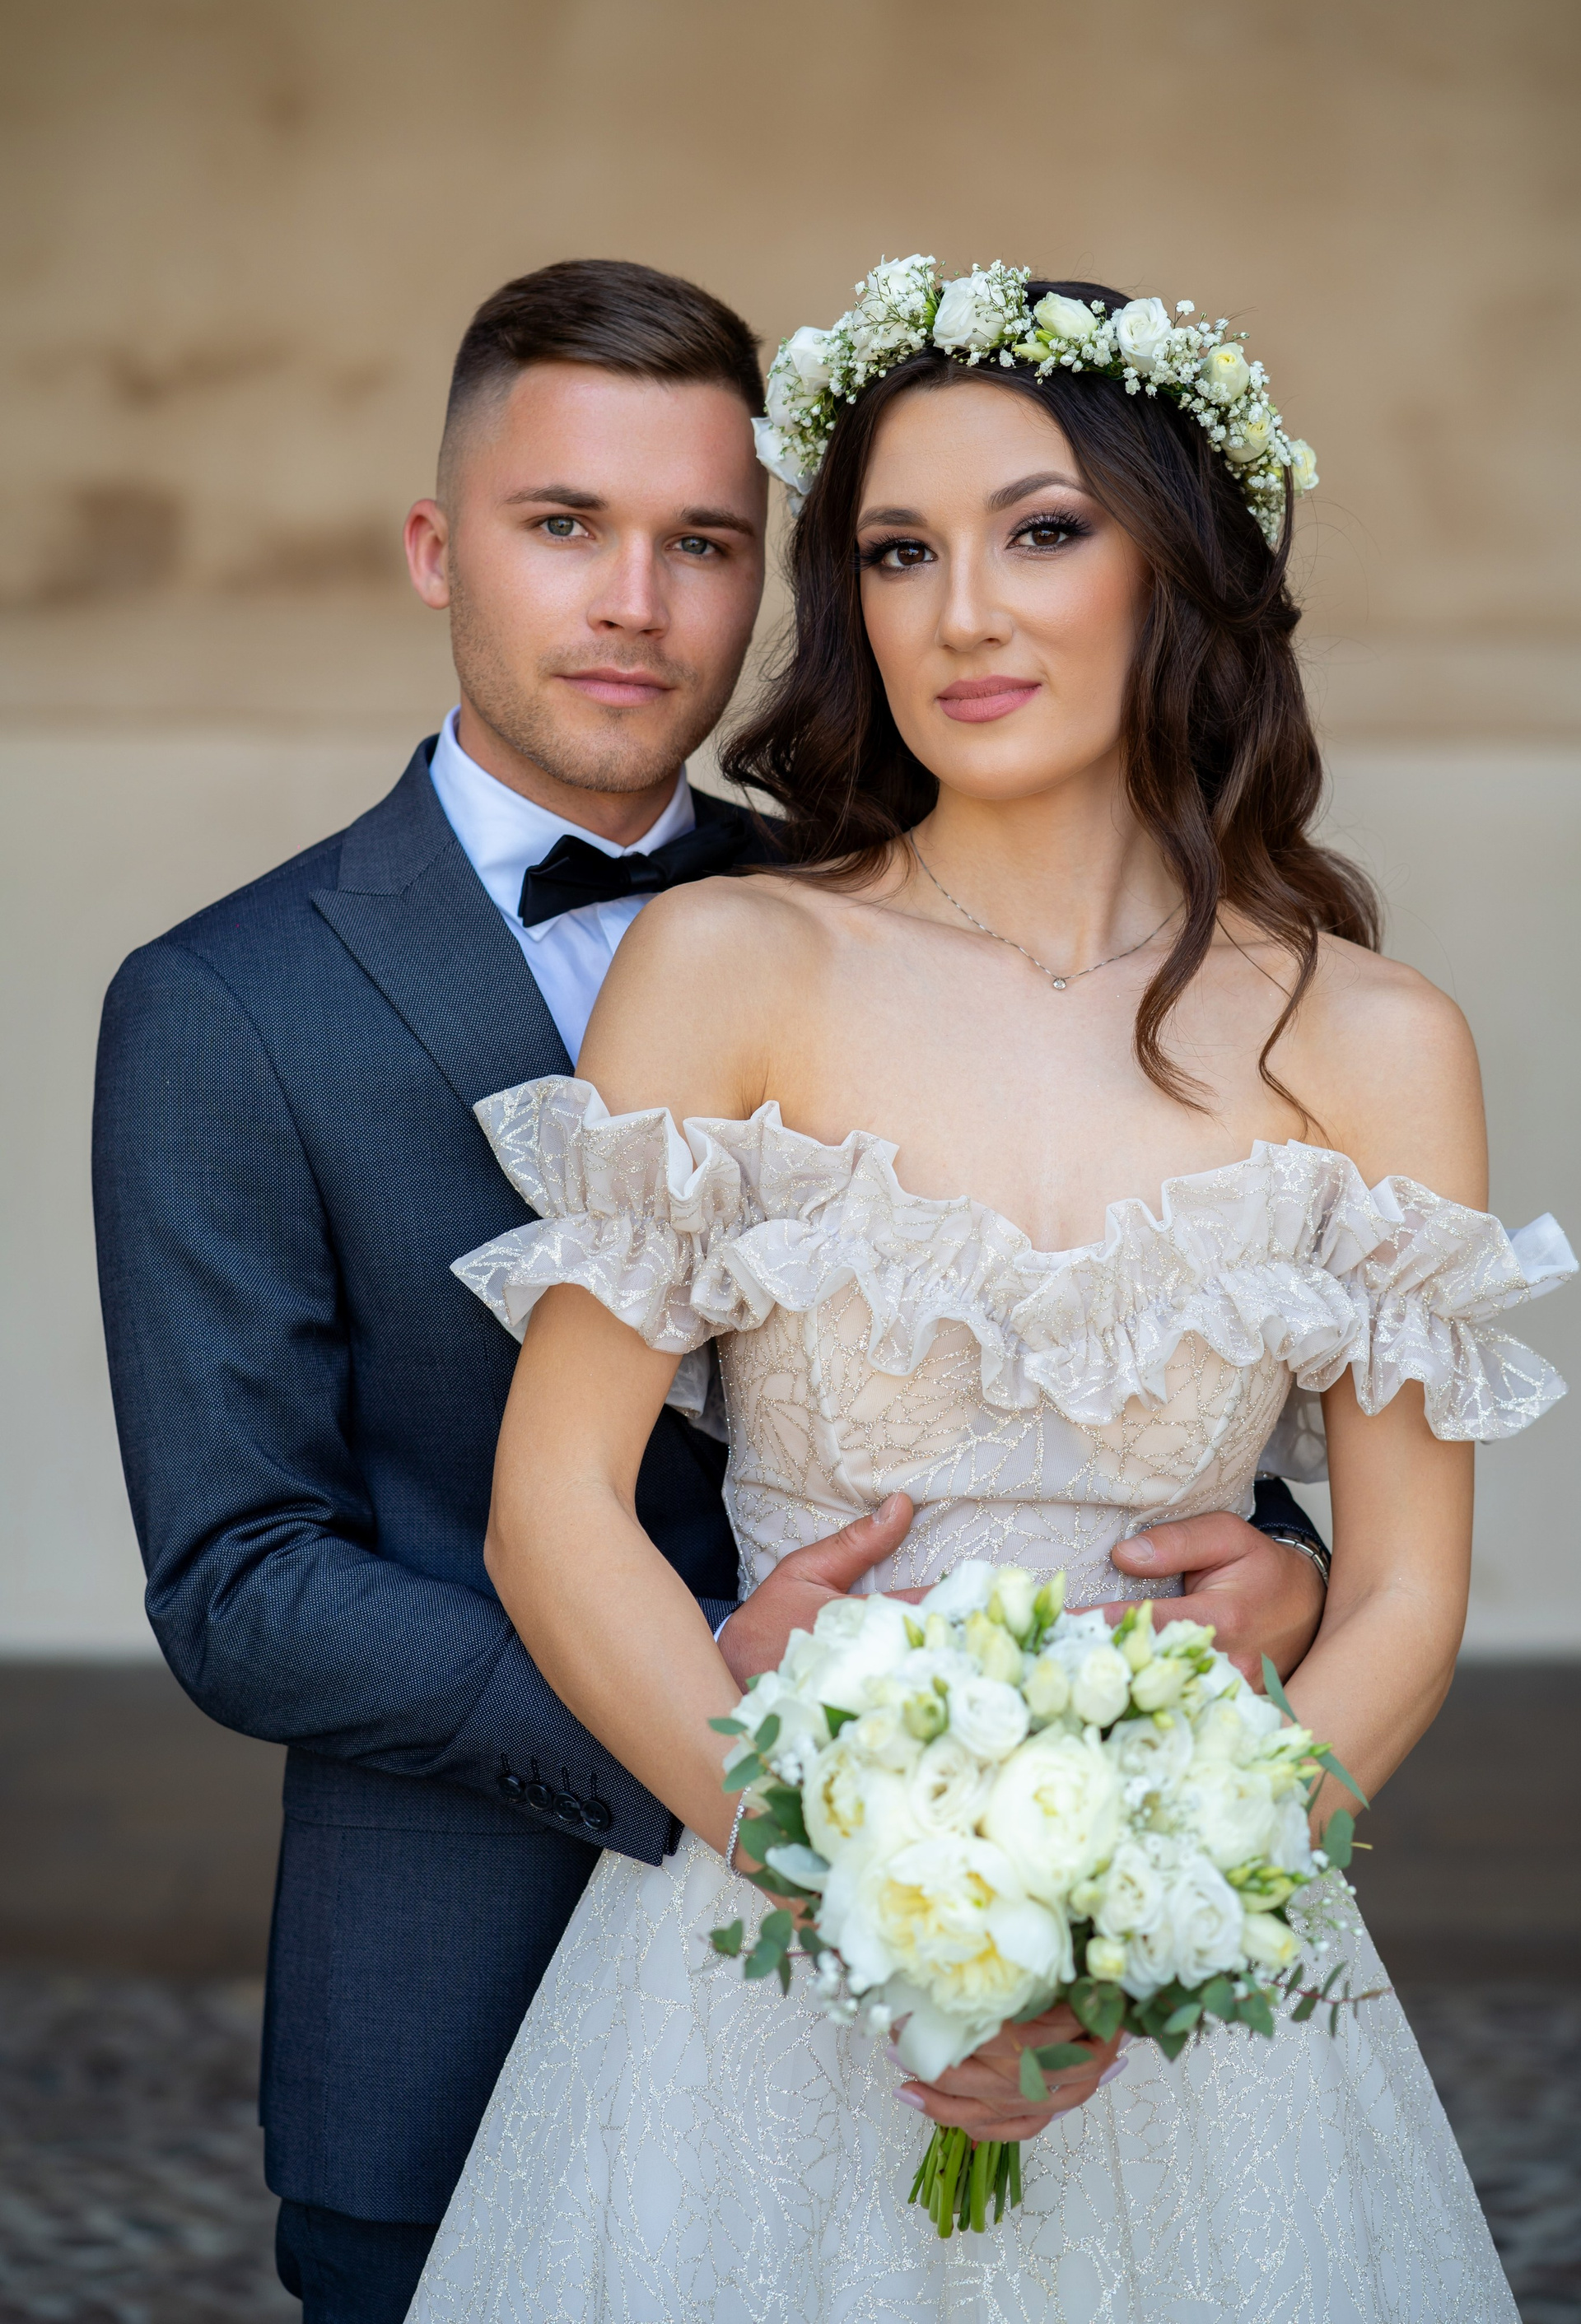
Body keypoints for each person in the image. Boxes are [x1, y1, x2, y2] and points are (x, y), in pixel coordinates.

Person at [90, 259, 1327, 2324]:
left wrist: (1278, 1569)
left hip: (1007, 1953)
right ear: (438, 547)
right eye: (564, 524)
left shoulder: (876, 910)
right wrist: (751, 1736)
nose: (635, 602)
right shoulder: (227, 1004)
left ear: (777, 581)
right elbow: (241, 1578)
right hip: (459, 1992)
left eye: (706, 543)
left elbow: (1083, 1328)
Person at [408, 262, 1572, 2321]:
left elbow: (1402, 1598)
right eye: (897, 552)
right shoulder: (734, 965)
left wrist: (1128, 1956)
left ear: (1176, 565)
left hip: (1192, 1996)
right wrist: (864, 1906)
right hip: (757, 1962)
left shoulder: (1378, 1041)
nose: (960, 614)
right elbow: (553, 1508)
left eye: (1040, 533)